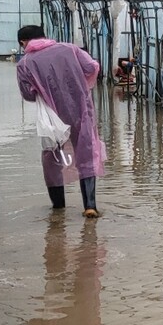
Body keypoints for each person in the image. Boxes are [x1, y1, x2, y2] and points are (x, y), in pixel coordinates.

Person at [15, 25, 105, 217]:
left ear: (23, 42)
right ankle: (90, 206)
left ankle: (58, 209)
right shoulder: (70, 49)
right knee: (86, 152)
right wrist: (80, 84)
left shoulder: (24, 64)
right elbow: (92, 67)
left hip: (51, 117)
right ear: (44, 36)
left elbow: (28, 95)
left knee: (52, 156)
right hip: (81, 109)